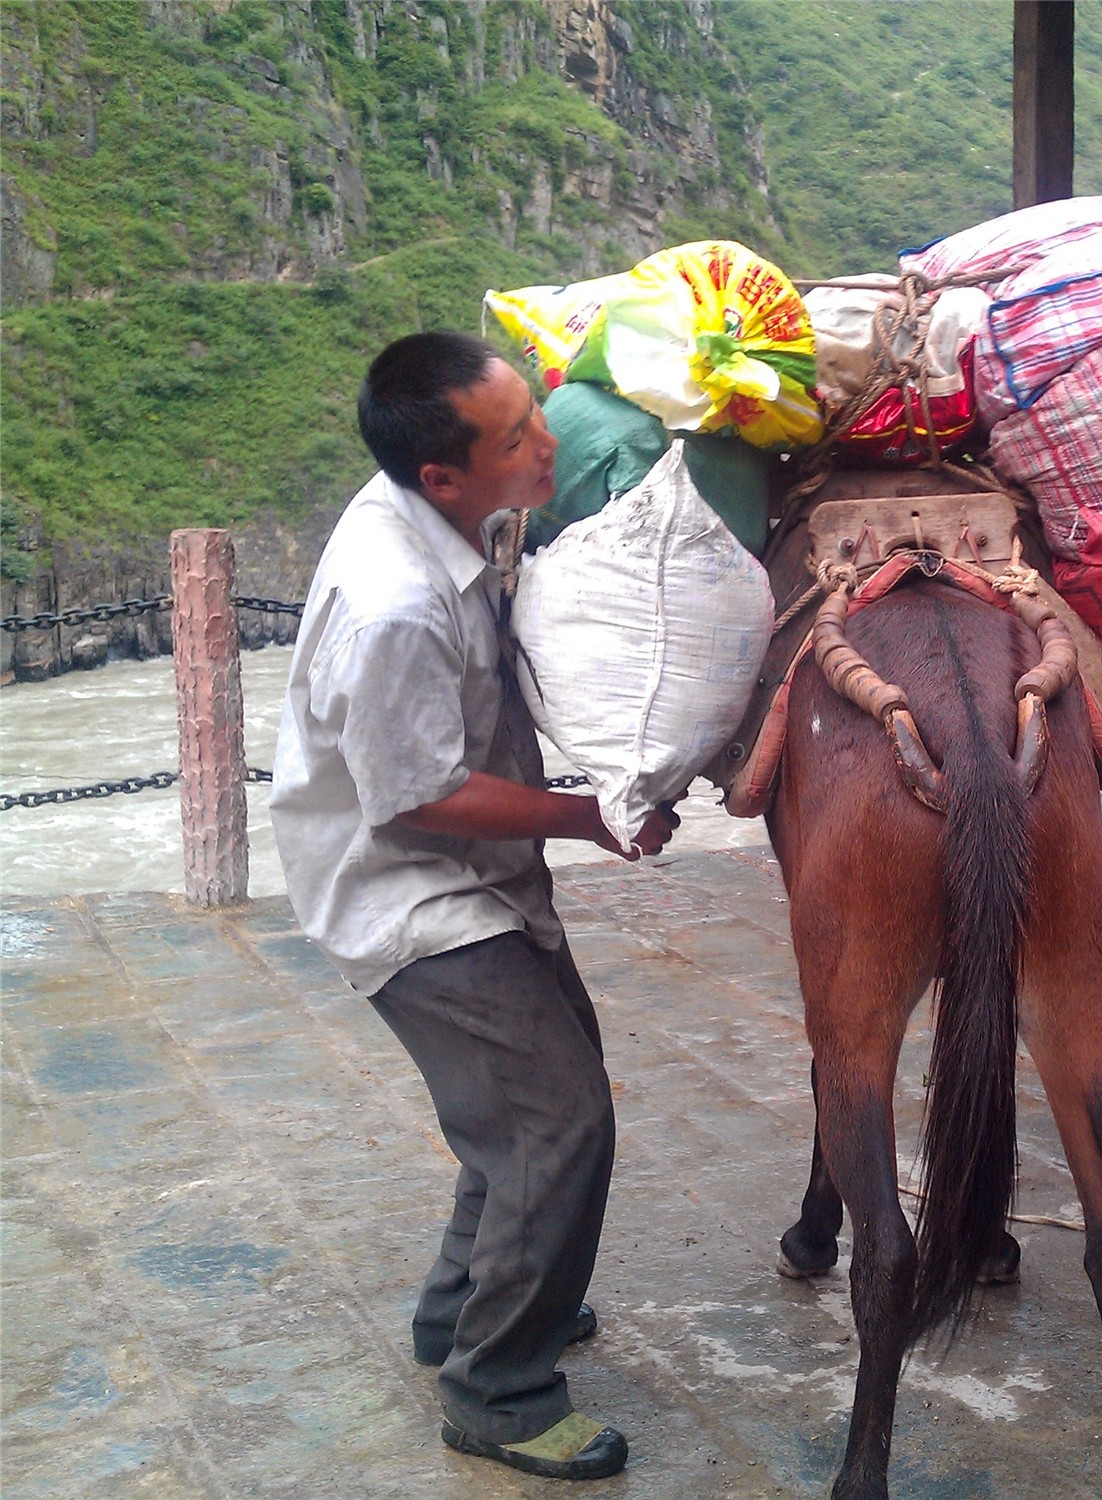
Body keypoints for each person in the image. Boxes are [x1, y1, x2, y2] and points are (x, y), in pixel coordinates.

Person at [271, 331, 674, 1478]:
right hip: (407, 891)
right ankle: (496, 1388)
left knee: (520, 1109)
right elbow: (417, 797)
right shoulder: (393, 602)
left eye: (534, 415)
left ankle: (461, 1313)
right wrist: (589, 814)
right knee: (560, 1119)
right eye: (515, 440)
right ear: (439, 475)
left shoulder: (442, 507)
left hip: (472, 880)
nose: (547, 446)